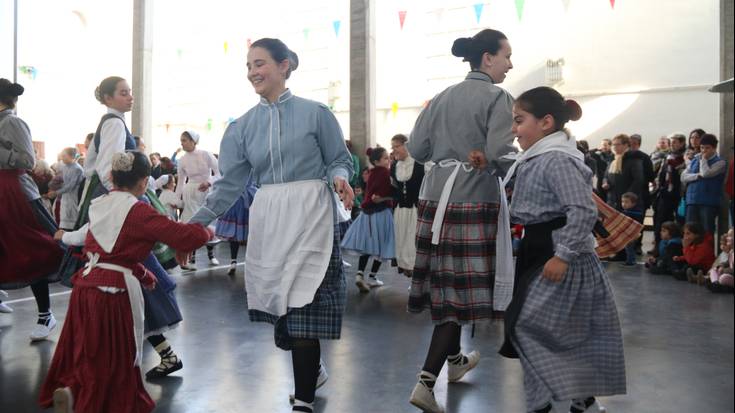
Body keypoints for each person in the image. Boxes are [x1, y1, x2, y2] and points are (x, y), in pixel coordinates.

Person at [184, 38, 353, 413]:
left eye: (259, 63)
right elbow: (229, 185)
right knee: (283, 306)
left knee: (306, 304)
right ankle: (313, 371)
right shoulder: (241, 127)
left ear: (285, 65)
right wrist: (192, 227)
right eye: (248, 66)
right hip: (271, 217)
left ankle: (304, 400)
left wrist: (340, 178)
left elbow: (339, 159)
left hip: (312, 214)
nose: (252, 72)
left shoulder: (316, 113)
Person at [39, 151, 212, 413]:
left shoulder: (100, 204)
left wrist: (62, 236)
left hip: (85, 287)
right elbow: (182, 236)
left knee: (89, 351)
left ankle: (76, 390)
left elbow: (87, 239)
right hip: (113, 292)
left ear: (111, 177)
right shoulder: (140, 212)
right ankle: (96, 402)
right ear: (144, 182)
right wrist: (209, 230)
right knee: (116, 357)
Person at [404, 28, 516, 413]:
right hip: (472, 200)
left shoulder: (440, 98)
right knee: (457, 298)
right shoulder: (498, 97)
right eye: (506, 56)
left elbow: (417, 149)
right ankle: (425, 381)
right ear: (488, 58)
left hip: (433, 200)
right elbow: (503, 152)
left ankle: (454, 363)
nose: (510, 64)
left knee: (445, 287)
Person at [498, 86, 625, 413]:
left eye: (519, 120)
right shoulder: (539, 155)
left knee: (529, 327)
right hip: (539, 247)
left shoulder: (556, 159)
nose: (514, 129)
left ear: (546, 122)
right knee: (543, 330)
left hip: (558, 251)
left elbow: (583, 210)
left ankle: (557, 401)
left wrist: (562, 255)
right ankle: (573, 399)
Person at [70, 76, 187, 379]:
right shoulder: (113, 124)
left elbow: (98, 165)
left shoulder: (112, 122)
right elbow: (106, 165)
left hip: (113, 203)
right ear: (108, 98)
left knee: (123, 280)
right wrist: (121, 196)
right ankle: (149, 355)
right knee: (129, 277)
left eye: (130, 92)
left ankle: (133, 357)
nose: (130, 97)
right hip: (116, 200)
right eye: (123, 93)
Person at [0, 78, 63, 340]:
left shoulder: (12, 122)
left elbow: (28, 159)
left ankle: (45, 315)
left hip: (15, 191)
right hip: (4, 189)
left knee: (34, 250)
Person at [341, 146, 396, 292]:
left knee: (367, 245)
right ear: (377, 161)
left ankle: (359, 274)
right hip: (382, 213)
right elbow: (389, 192)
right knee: (382, 245)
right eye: (385, 158)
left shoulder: (371, 173)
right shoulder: (385, 173)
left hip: (366, 214)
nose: (388, 160)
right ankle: (372, 276)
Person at [175, 130, 220, 268]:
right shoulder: (182, 160)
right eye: (181, 140)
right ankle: (191, 258)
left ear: (193, 141)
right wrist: (177, 200)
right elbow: (181, 182)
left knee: (206, 223)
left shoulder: (205, 154)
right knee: (192, 225)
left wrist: (209, 182)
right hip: (190, 193)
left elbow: (219, 173)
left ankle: (211, 255)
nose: (182, 143)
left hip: (206, 191)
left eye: (184, 140)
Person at [390, 134, 424, 278]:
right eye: (392, 147)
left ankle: (418, 276)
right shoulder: (394, 167)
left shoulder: (420, 164)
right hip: (400, 211)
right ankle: (407, 270)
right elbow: (394, 189)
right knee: (402, 240)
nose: (394, 150)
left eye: (396, 146)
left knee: (414, 242)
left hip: (416, 210)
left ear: (406, 145)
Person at [681, 133, 726, 237]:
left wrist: (704, 160)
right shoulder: (695, 160)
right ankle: (690, 253)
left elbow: (706, 173)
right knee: (690, 231)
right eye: (702, 147)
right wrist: (697, 176)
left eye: (707, 148)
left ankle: (706, 253)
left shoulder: (720, 162)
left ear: (714, 148)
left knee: (706, 231)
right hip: (692, 200)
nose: (704, 150)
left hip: (708, 202)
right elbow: (683, 177)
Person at [214, 179, 258, 276]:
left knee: (233, 233)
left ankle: (233, 261)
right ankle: (252, 264)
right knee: (251, 232)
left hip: (234, 197)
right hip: (250, 196)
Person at [650, 134, 686, 252]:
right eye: (671, 142)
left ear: (682, 143)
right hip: (664, 193)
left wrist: (674, 164)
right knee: (660, 220)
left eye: (675, 142)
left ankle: (677, 248)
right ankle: (659, 247)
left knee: (679, 222)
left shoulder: (686, 156)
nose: (672, 144)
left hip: (678, 194)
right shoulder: (667, 156)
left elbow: (684, 173)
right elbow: (661, 173)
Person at [48, 147, 84, 230]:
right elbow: (64, 183)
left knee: (72, 223)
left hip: (74, 197)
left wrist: (56, 192)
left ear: (72, 156)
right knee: (63, 223)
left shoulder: (77, 169)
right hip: (65, 197)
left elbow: (71, 186)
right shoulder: (64, 167)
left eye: (64, 156)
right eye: (62, 156)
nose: (62, 158)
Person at [620, 192, 644, 267]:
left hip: (633, 233)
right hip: (628, 233)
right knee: (628, 247)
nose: (624, 204)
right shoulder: (626, 211)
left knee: (629, 247)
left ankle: (631, 261)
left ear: (633, 203)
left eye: (626, 202)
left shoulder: (636, 211)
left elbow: (639, 215)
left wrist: (626, 213)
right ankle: (630, 259)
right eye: (622, 201)